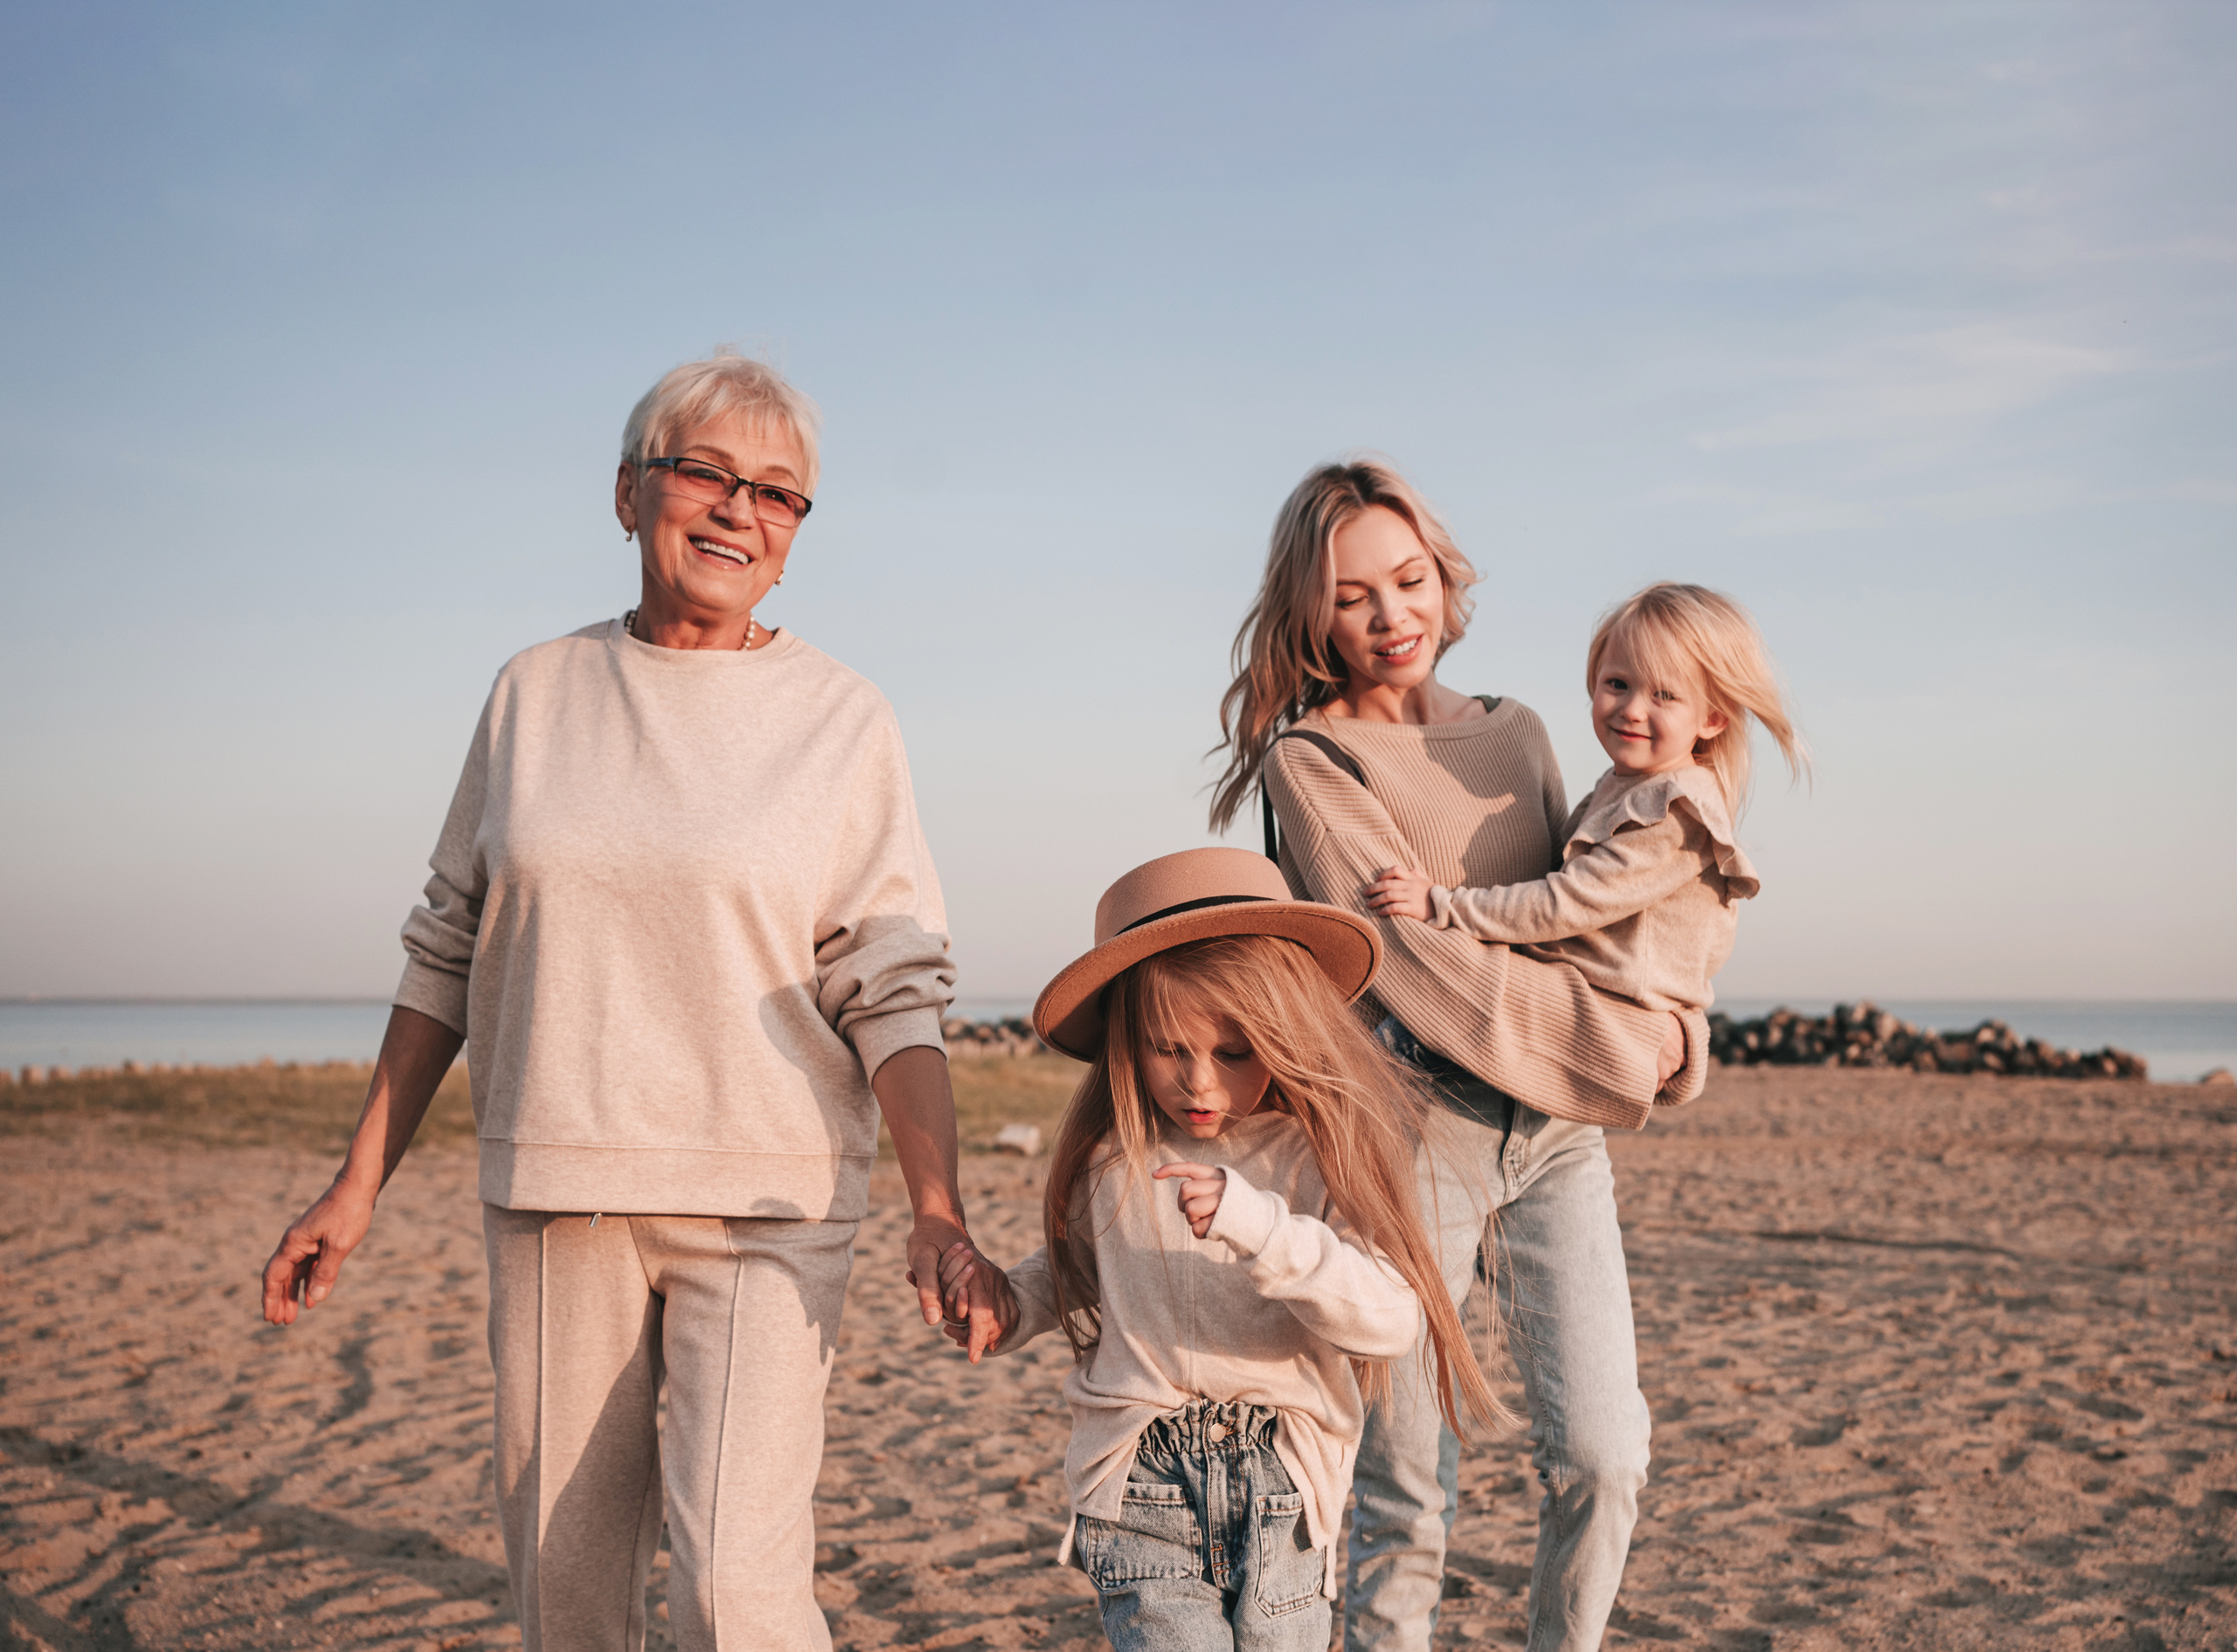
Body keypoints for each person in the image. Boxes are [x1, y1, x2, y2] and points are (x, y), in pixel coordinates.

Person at [258, 349, 1010, 1652]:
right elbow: (447, 947)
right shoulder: (532, 694)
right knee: (571, 1599)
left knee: (739, 1593)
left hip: (771, 1202)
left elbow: (893, 983)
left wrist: (938, 1206)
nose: (737, 508)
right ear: (627, 493)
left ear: (793, 541)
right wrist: (355, 1184)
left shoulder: (842, 717)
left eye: (777, 494)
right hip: (558, 1192)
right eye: (704, 471)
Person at [1209, 460, 1714, 1652]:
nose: (1392, 615)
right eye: (1352, 595)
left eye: (1410, 577)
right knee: (1405, 1489)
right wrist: (1607, 1041)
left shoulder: (1523, 729)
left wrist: (1671, 1018)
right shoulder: (1311, 759)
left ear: (1444, 577)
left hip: (1559, 1139)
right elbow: (1403, 958)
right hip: (1412, 1127)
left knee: (1605, 1452)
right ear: (1309, 613)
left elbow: (1587, 909)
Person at [942, 847, 1503, 1652]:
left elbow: (1391, 1320)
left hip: (1286, 1483)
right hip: (1141, 1479)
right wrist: (1008, 1303)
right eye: (1170, 1049)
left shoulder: (1320, 1158)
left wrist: (1262, 1227)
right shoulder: (1114, 1156)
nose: (1198, 1083)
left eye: (1232, 1052)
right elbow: (1082, 1275)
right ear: (1127, 1041)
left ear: (1284, 1031)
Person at [1365, 580, 1804, 1020]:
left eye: (1664, 695)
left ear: (1711, 718)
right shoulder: (1627, 785)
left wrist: (1441, 904)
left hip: (1617, 1010)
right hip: (1584, 996)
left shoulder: (1675, 811)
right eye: (1618, 683)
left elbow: (1565, 903)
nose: (1632, 708)